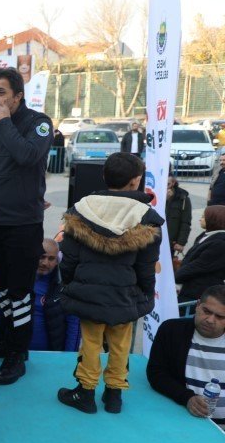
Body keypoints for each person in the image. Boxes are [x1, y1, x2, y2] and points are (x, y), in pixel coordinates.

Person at [57, 153, 163, 414]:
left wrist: (71, 285)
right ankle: (114, 395)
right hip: (126, 294)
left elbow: (67, 259)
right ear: (136, 181)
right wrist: (146, 294)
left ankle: (85, 392)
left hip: (88, 290)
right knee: (121, 344)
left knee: (90, 343)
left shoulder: (82, 209)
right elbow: (146, 267)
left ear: (104, 176)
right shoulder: (147, 217)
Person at [0, 67, 53, 385]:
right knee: (2, 289)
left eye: (0, 92)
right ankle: (6, 342)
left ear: (18, 96)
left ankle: (18, 354)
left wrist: (4, 122)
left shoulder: (39, 124)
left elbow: (27, 156)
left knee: (20, 293)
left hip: (23, 225)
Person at [146, 285, 225, 427]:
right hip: (185, 426)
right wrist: (187, 398)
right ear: (198, 305)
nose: (210, 320)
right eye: (206, 311)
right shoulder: (171, 330)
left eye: (220, 317)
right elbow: (156, 373)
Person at [176, 205, 225, 302]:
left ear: (214, 219)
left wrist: (175, 277)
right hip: (188, 286)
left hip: (197, 292)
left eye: (203, 217)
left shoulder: (220, 243)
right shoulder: (206, 234)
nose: (200, 219)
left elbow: (198, 266)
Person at [164, 176, 192, 258]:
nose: (165, 186)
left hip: (170, 240)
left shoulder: (183, 199)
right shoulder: (156, 194)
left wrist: (181, 242)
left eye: (168, 184)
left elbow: (186, 222)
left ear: (173, 183)